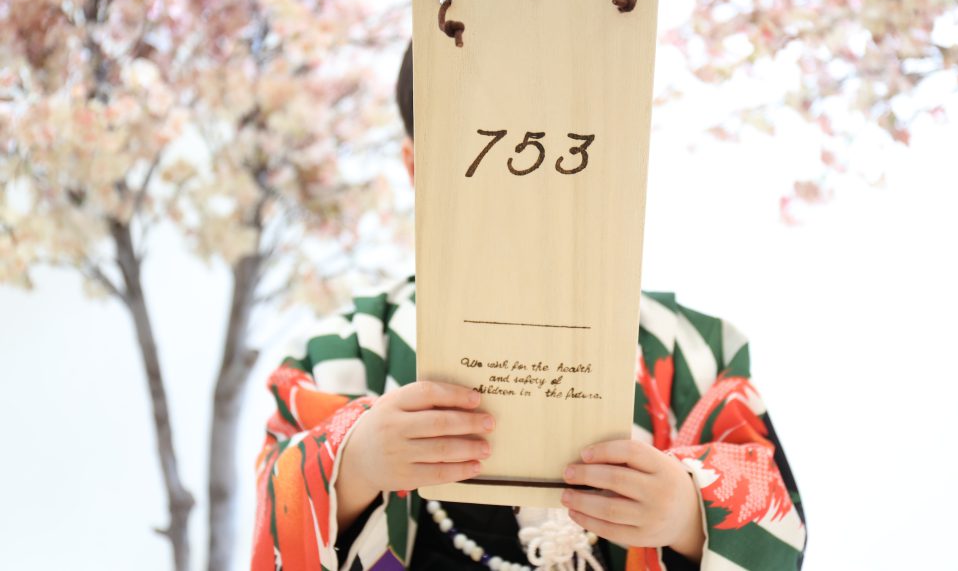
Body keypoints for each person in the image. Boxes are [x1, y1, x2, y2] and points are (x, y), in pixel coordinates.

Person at [250, 42, 807, 571]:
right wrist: (355, 463)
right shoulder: (347, 351)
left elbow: (775, 515)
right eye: (482, 153)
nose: (527, 179)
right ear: (417, 168)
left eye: (570, 152)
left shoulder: (691, 352)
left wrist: (687, 514)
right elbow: (277, 503)